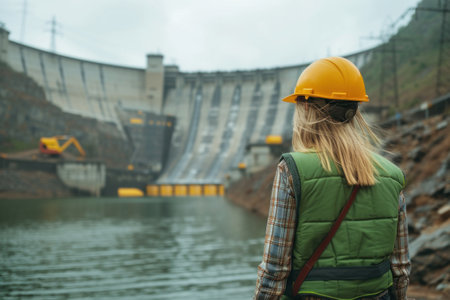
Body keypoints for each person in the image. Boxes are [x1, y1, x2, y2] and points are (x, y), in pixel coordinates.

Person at [254, 57, 410, 300]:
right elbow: (400, 268)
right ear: (354, 110)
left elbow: (274, 269)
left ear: (306, 108)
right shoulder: (392, 175)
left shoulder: (292, 170)